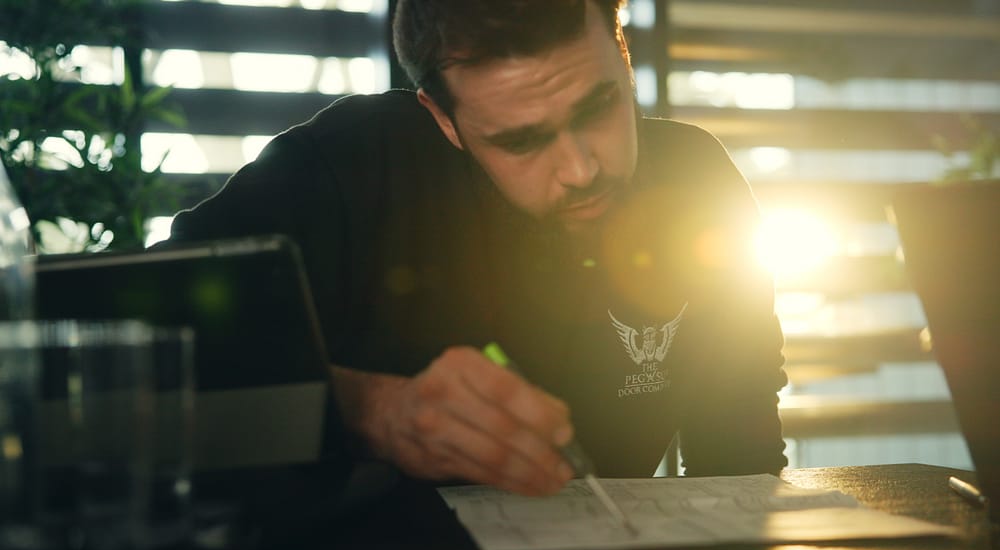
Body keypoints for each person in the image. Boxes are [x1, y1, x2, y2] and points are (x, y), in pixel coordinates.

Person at [167, 0, 788, 498]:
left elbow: (740, 443)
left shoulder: (695, 178)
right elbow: (154, 345)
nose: (580, 169)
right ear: (443, 119)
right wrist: (372, 411)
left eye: (599, 107)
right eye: (521, 141)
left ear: (622, 54)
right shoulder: (346, 166)